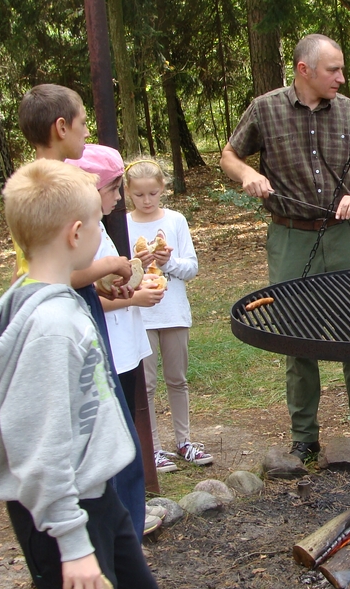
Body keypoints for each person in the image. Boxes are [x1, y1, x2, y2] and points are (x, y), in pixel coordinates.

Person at [0, 160, 167, 589]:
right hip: (63, 513)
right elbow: (40, 444)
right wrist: (74, 546)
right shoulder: (51, 328)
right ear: (76, 233)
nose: (104, 230)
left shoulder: (48, 297)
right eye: (99, 223)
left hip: (97, 496)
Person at [220, 34, 350, 463]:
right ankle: (304, 436)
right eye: (333, 70)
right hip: (290, 235)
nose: (342, 79)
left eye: (342, 69)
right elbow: (229, 156)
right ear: (303, 70)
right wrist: (245, 175)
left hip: (347, 232)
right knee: (296, 332)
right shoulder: (265, 108)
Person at [15, 84, 146, 539]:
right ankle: (119, 531)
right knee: (106, 425)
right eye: (84, 124)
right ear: (61, 127)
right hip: (70, 314)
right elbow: (50, 273)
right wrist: (108, 265)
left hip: (81, 302)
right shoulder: (50, 189)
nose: (87, 135)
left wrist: (100, 274)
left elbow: (70, 265)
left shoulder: (38, 181)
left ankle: (121, 527)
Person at [125, 157, 212, 472]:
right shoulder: (123, 225)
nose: (146, 201)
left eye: (152, 193)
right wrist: (136, 262)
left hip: (173, 313)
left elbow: (191, 268)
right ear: (128, 193)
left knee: (177, 379)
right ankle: (152, 448)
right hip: (140, 314)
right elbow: (118, 276)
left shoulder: (175, 221)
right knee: (145, 384)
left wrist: (167, 262)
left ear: (163, 189)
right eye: (139, 195)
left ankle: (184, 441)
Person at [66, 146, 162, 420]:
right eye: (114, 189)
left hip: (123, 344)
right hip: (109, 349)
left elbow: (102, 285)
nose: (119, 197)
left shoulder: (98, 225)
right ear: (91, 190)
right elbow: (81, 292)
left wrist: (134, 282)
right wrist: (134, 298)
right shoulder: (83, 233)